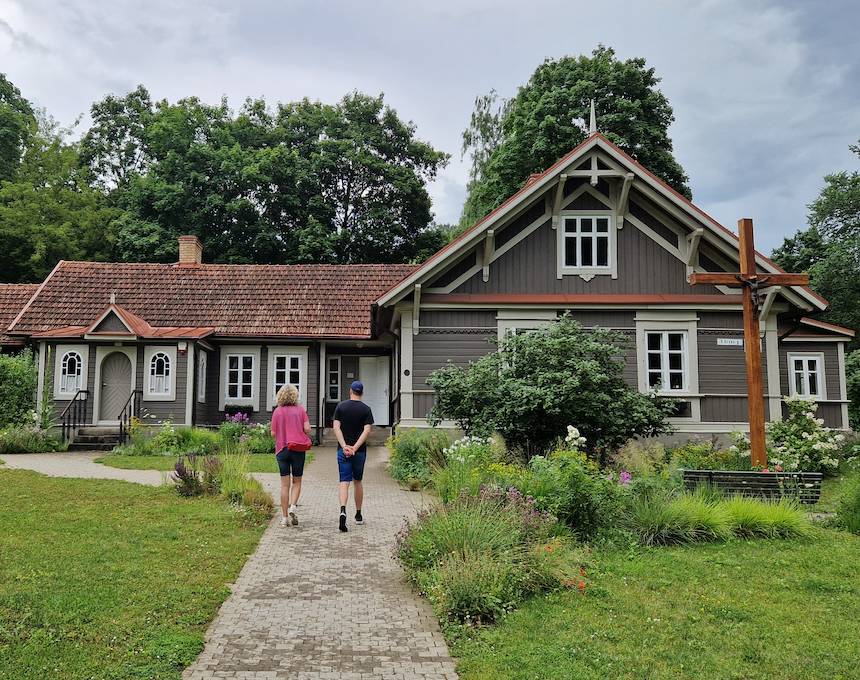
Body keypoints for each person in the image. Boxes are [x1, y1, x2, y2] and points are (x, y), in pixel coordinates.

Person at [332, 380, 374, 532]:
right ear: (362, 393)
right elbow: (367, 431)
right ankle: (358, 515)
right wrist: (355, 448)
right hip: (359, 452)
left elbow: (336, 427)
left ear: (350, 391)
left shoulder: (340, 407)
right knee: (358, 481)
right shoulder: (366, 409)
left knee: (344, 481)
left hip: (343, 452)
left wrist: (345, 446)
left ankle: (343, 510)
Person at [270, 384, 312, 527]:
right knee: (297, 481)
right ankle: (293, 506)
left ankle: (284, 518)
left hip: (282, 449)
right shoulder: (300, 410)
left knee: (284, 485)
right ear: (295, 395)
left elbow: (273, 434)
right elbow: (307, 429)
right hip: (298, 449)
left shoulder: (277, 411)